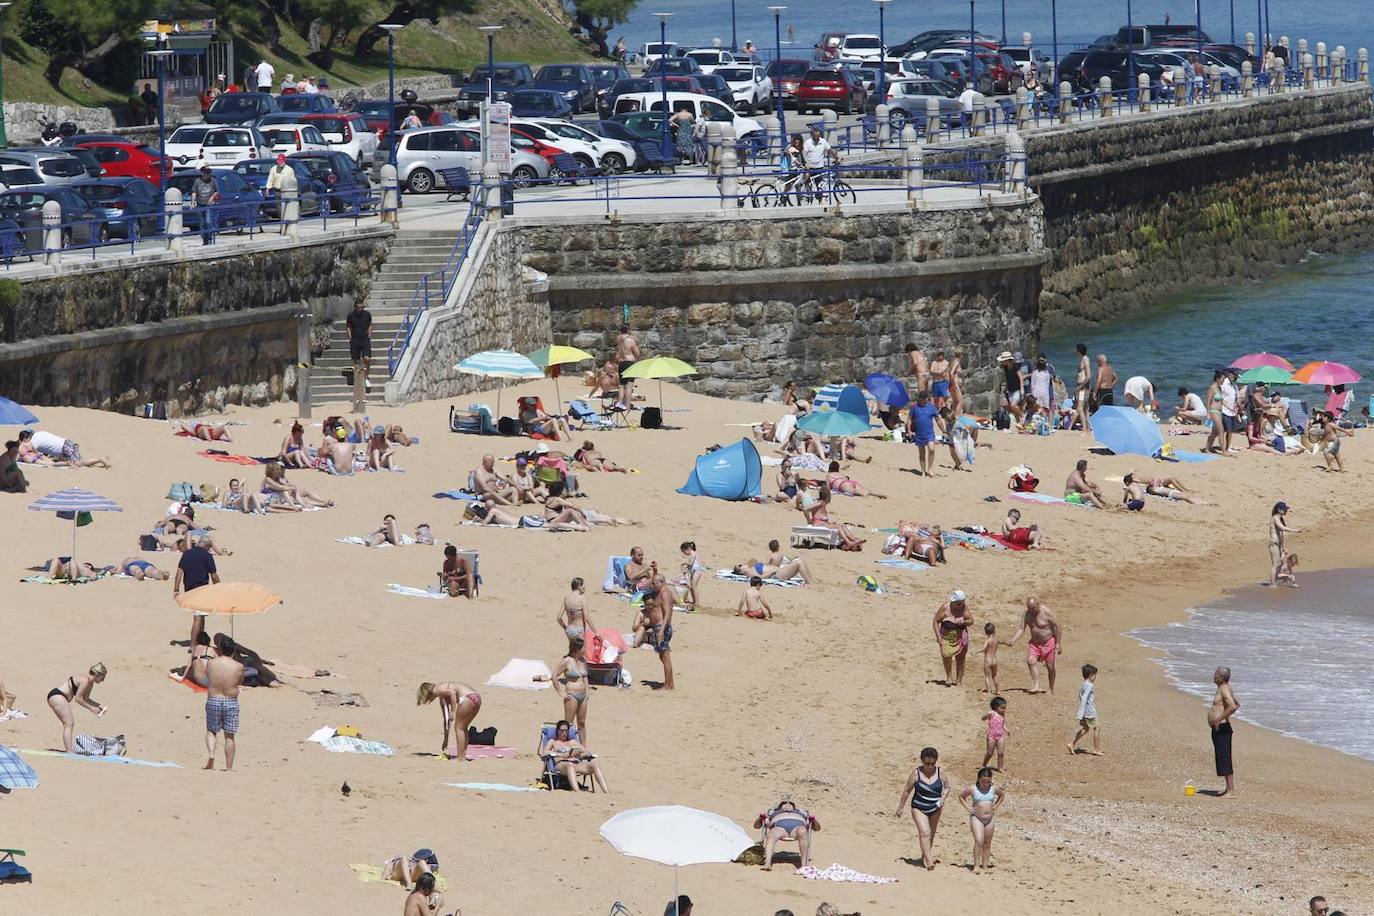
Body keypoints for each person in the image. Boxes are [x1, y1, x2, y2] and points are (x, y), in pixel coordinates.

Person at [895, 746, 949, 870]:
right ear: (922, 761)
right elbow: (907, 790)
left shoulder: (940, 772)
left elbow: (947, 787)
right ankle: (929, 861)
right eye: (926, 763)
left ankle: (924, 857)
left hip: (936, 807)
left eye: (932, 763)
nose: (929, 766)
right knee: (925, 832)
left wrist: (943, 799)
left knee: (931, 834)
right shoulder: (916, 773)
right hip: (918, 806)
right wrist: (901, 807)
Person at [1002, 596, 1061, 694]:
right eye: (1029, 608)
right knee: (1030, 661)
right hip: (1035, 643)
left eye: (1033, 608)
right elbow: (1021, 628)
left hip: (1048, 642)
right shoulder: (1027, 614)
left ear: (1038, 605)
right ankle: (1037, 685)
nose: (1031, 610)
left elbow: (1058, 626)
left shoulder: (1047, 612)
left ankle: (1051, 689)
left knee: (1050, 666)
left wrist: (1058, 643)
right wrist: (1013, 640)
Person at [174, 535, 221, 653]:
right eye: (210, 546)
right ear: (206, 545)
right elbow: (214, 575)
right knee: (198, 618)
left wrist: (176, 589)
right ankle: (193, 645)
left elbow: (179, 572)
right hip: (201, 589)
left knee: (201, 615)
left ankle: (199, 640)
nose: (210, 549)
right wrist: (219, 588)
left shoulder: (187, 553)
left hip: (189, 589)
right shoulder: (207, 556)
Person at [204, 633, 243, 771]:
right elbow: (239, 682)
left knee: (211, 730)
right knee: (229, 736)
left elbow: (208, 677)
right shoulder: (238, 666)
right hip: (230, 701)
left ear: (219, 649)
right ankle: (229, 767)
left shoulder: (211, 663)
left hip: (214, 699)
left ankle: (211, 755)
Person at [47, 663, 107, 752]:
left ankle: (69, 751)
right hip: (57, 696)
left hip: (59, 697)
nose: (102, 680)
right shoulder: (85, 681)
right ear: (97, 675)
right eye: (102, 678)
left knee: (69, 724)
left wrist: (98, 706)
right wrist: (91, 708)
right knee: (69, 724)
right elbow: (78, 699)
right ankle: (69, 751)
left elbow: (86, 699)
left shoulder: (90, 683)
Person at [417, 681, 482, 761]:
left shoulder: (436, 689)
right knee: (463, 728)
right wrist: (446, 739)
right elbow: (446, 719)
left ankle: (461, 757)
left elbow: (452, 692)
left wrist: (453, 711)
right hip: (476, 698)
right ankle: (463, 755)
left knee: (459, 728)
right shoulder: (442, 696)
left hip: (467, 698)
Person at [540, 719, 609, 792]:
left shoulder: (572, 742)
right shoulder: (553, 742)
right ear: (557, 731)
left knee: (595, 764)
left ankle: (606, 791)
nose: (564, 733)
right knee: (570, 765)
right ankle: (577, 791)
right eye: (562, 730)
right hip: (561, 765)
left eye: (566, 731)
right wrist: (561, 755)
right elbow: (545, 752)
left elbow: (587, 752)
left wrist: (577, 755)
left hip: (576, 763)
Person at [958, 767, 1005, 873]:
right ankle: (976, 865)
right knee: (979, 840)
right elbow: (961, 796)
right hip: (977, 818)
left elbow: (1002, 795)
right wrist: (968, 808)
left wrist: (996, 806)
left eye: (988, 781)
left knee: (987, 843)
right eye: (983, 781)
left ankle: (985, 866)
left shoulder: (993, 789)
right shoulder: (973, 789)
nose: (985, 784)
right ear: (979, 779)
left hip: (989, 819)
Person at [795, 478, 865, 550]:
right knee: (839, 527)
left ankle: (854, 540)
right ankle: (849, 542)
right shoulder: (820, 503)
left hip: (824, 524)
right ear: (827, 496)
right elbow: (806, 509)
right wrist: (809, 520)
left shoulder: (822, 504)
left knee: (842, 526)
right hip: (819, 525)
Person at [753, 798, 819, 870]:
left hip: (797, 829)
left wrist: (814, 820)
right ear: (780, 807)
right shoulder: (775, 813)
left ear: (794, 807)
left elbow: (817, 828)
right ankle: (767, 863)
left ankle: (804, 865)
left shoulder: (801, 813)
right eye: (785, 804)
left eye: (790, 804)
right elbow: (756, 826)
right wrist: (760, 818)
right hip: (780, 829)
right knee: (771, 833)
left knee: (802, 830)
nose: (787, 805)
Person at [1208, 666, 1240, 798]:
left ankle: (1231, 791)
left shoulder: (1224, 689)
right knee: (1221, 757)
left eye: (1216, 674)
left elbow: (1233, 705)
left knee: (1225, 757)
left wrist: (1219, 719)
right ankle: (1227, 788)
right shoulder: (1223, 688)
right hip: (1220, 728)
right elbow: (1238, 703)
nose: (1213, 675)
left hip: (1222, 728)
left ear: (1221, 677)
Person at [933, 591, 973, 686]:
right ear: (953, 602)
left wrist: (963, 622)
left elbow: (971, 621)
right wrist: (938, 636)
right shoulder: (945, 608)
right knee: (946, 656)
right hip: (946, 637)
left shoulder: (964, 607)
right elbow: (935, 621)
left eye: (962, 602)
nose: (961, 604)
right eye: (959, 603)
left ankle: (959, 681)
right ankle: (949, 676)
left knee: (961, 658)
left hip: (961, 637)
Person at [18, 429, 110, 468]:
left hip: (64, 448)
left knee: (79, 463)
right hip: (67, 444)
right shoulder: (40, 433)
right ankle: (98, 461)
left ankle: (100, 459)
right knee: (80, 461)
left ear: (26, 438)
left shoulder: (33, 442)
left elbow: (32, 454)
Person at [1068, 663, 1103, 756]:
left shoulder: (1083, 684)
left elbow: (1080, 696)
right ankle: (1096, 749)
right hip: (1089, 711)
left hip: (1084, 711)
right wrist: (1081, 711)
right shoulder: (1090, 685)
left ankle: (1072, 743)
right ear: (1091, 675)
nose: (1095, 678)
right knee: (1097, 727)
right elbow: (1084, 698)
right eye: (1095, 675)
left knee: (1086, 729)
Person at [907, 390, 940, 477]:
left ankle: (929, 469)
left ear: (926, 399)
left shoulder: (931, 407)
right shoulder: (914, 407)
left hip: (929, 434)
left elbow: (938, 420)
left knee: (932, 449)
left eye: (922, 399)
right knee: (922, 453)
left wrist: (944, 431)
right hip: (919, 434)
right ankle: (923, 471)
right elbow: (909, 419)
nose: (920, 401)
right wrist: (909, 431)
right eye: (920, 399)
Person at [1269, 501, 1299, 587]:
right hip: (1273, 544)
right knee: (1275, 565)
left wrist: (1282, 547)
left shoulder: (1281, 519)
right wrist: (1295, 530)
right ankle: (1272, 584)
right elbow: (1283, 528)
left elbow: (1281, 534)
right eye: (1284, 509)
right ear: (1279, 509)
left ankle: (1276, 580)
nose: (1286, 511)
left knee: (1279, 564)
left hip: (1278, 545)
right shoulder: (1275, 518)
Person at [346, 301, 373, 392]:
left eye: (362, 307)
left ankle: (365, 377)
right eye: (359, 307)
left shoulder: (367, 314)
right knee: (356, 360)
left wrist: (369, 335)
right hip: (355, 339)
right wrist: (350, 338)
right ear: (355, 307)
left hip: (364, 339)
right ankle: (357, 379)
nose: (360, 309)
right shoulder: (351, 316)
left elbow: (370, 325)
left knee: (367, 358)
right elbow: (348, 326)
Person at [190, 166, 221, 245]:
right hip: (200, 204)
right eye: (207, 172)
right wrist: (192, 202)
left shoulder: (213, 180)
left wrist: (212, 197)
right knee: (201, 224)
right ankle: (205, 239)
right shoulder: (197, 181)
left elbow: (217, 191)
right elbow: (194, 192)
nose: (209, 174)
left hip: (208, 205)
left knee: (208, 222)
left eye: (209, 172)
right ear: (203, 173)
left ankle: (209, 238)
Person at [614, 325, 640, 407]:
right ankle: (627, 405)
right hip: (629, 362)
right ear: (628, 330)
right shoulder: (631, 340)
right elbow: (637, 353)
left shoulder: (618, 339)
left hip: (621, 362)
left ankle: (620, 403)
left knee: (621, 385)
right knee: (629, 385)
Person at [981, 696, 1009, 772]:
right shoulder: (992, 713)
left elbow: (1003, 723)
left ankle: (1000, 767)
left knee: (1001, 753)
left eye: (1005, 708)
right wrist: (987, 715)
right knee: (990, 753)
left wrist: (1006, 730)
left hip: (1000, 736)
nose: (1004, 710)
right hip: (991, 736)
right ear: (996, 707)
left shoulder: (1002, 715)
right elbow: (983, 718)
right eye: (1002, 708)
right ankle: (984, 764)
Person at [1218, 368, 1241, 453]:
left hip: (1232, 411)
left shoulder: (1235, 385)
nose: (1236, 378)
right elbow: (1220, 397)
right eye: (1235, 377)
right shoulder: (1224, 383)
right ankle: (1226, 448)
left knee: (1230, 430)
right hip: (1224, 410)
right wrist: (1227, 406)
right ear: (1230, 375)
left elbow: (1237, 398)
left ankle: (1227, 446)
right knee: (1227, 430)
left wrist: (1237, 407)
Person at [1072, 343, 1093, 435]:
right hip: (1081, 387)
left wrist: (1081, 386)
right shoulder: (1082, 360)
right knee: (1085, 409)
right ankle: (1087, 429)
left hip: (1083, 388)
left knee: (1079, 408)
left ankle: (1084, 430)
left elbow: (1088, 376)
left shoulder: (1085, 360)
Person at [997, 351, 1024, 422]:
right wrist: (1006, 387)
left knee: (1013, 405)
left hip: (1017, 389)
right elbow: (1007, 378)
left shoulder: (1015, 366)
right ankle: (1019, 423)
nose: (1002, 362)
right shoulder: (1005, 368)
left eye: (1003, 361)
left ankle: (1022, 416)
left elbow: (1020, 377)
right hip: (1010, 390)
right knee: (1010, 407)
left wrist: (1022, 388)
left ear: (1007, 360)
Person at [677, 542, 703, 609]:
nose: (685, 554)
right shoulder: (691, 555)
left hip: (697, 572)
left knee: (694, 587)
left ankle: (697, 602)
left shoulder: (693, 553)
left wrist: (684, 563)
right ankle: (694, 601)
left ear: (688, 549)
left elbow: (691, 563)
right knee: (691, 588)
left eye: (684, 552)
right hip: (693, 572)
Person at [980, 622, 1000, 694]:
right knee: (994, 676)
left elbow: (984, 648)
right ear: (994, 630)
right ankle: (997, 690)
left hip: (988, 660)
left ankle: (989, 691)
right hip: (994, 660)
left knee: (987, 676)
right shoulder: (996, 639)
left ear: (985, 632)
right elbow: (1002, 642)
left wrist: (976, 652)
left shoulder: (988, 640)